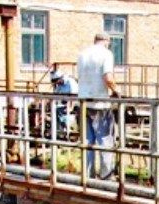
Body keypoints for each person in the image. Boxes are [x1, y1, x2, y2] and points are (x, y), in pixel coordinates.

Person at [76, 32, 121, 180]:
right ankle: (106, 175)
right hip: (100, 103)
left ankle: (87, 175)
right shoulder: (106, 54)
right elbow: (107, 77)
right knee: (105, 140)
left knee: (87, 141)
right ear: (106, 42)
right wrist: (117, 90)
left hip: (83, 102)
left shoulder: (82, 54)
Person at [49, 67, 79, 138]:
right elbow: (55, 95)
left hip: (76, 103)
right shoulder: (59, 85)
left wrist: (70, 108)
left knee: (59, 111)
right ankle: (59, 131)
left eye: (57, 82)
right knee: (54, 110)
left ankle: (65, 131)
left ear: (60, 78)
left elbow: (74, 96)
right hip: (65, 104)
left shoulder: (70, 82)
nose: (57, 84)